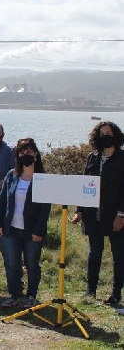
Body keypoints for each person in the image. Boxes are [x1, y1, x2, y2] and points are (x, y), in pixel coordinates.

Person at [72, 121, 124, 305]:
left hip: (116, 215)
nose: (106, 136)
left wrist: (121, 214)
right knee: (94, 253)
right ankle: (91, 291)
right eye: (102, 134)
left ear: (115, 134)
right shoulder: (92, 158)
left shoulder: (122, 158)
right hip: (93, 215)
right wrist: (79, 211)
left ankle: (116, 294)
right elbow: (85, 185)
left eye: (109, 132)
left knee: (119, 255)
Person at [0, 138, 51, 309]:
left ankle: (31, 297)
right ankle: (14, 295)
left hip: (32, 231)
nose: (25, 155)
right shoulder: (11, 176)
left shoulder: (43, 179)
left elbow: (45, 208)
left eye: (28, 151)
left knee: (32, 264)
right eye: (21, 152)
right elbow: (2, 201)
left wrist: (39, 230)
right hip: (11, 229)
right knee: (12, 264)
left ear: (35, 153)